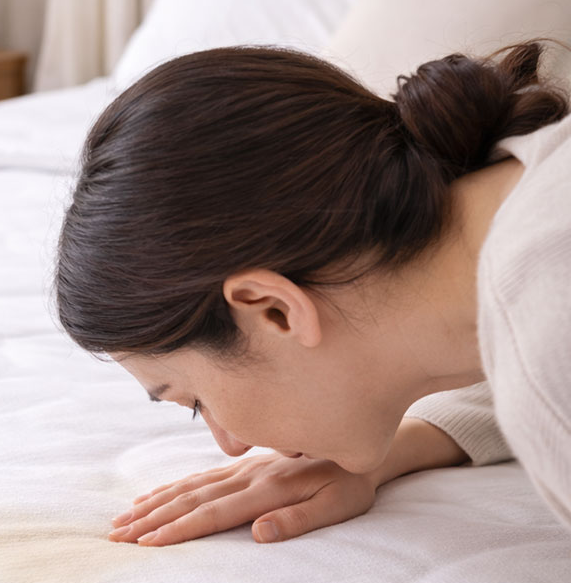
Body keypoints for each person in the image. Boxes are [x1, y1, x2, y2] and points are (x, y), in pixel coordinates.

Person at [54, 43, 570, 546]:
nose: (232, 448)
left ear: (274, 310)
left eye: (196, 401)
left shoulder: (549, 337)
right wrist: (396, 443)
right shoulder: (533, 195)